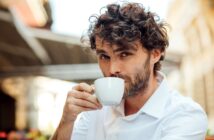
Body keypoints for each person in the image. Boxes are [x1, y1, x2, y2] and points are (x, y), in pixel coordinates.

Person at [51, 2, 208, 140]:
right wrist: (67, 120)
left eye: (124, 54)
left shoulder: (184, 115)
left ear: (155, 53)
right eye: (104, 56)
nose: (112, 70)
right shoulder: (94, 110)